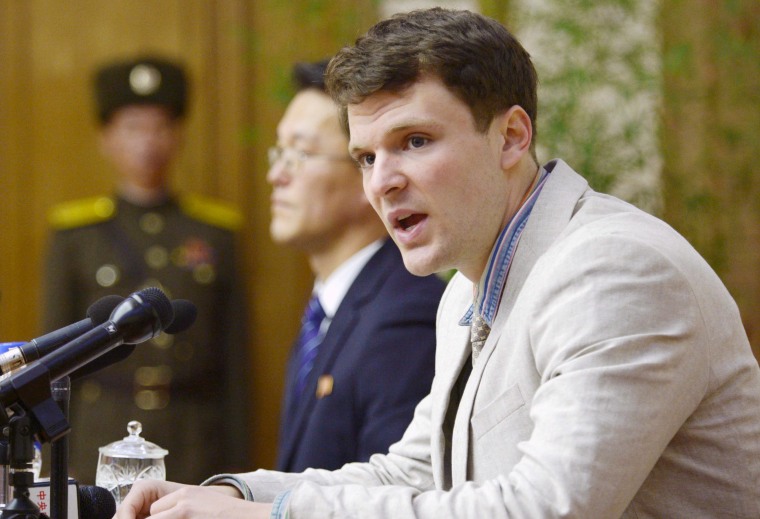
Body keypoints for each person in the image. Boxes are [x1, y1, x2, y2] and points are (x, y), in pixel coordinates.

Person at [116, 8, 760, 518]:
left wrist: (278, 515)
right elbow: (416, 471)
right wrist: (235, 493)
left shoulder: (614, 269)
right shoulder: (467, 285)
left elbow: (544, 510)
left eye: (414, 142)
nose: (383, 182)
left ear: (511, 136)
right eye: (367, 156)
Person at [42, 55, 250, 485]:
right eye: (133, 127)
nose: (148, 142)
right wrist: (60, 457)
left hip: (194, 437)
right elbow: (55, 362)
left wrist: (237, 466)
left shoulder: (215, 234)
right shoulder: (75, 236)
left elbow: (235, 363)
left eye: (160, 126)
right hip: (99, 435)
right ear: (106, 138)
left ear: (178, 136)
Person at [268, 60, 444, 472]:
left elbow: (393, 496)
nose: (276, 174)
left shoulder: (404, 316)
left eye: (301, 154)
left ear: (369, 170)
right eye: (279, 151)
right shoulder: (330, 306)